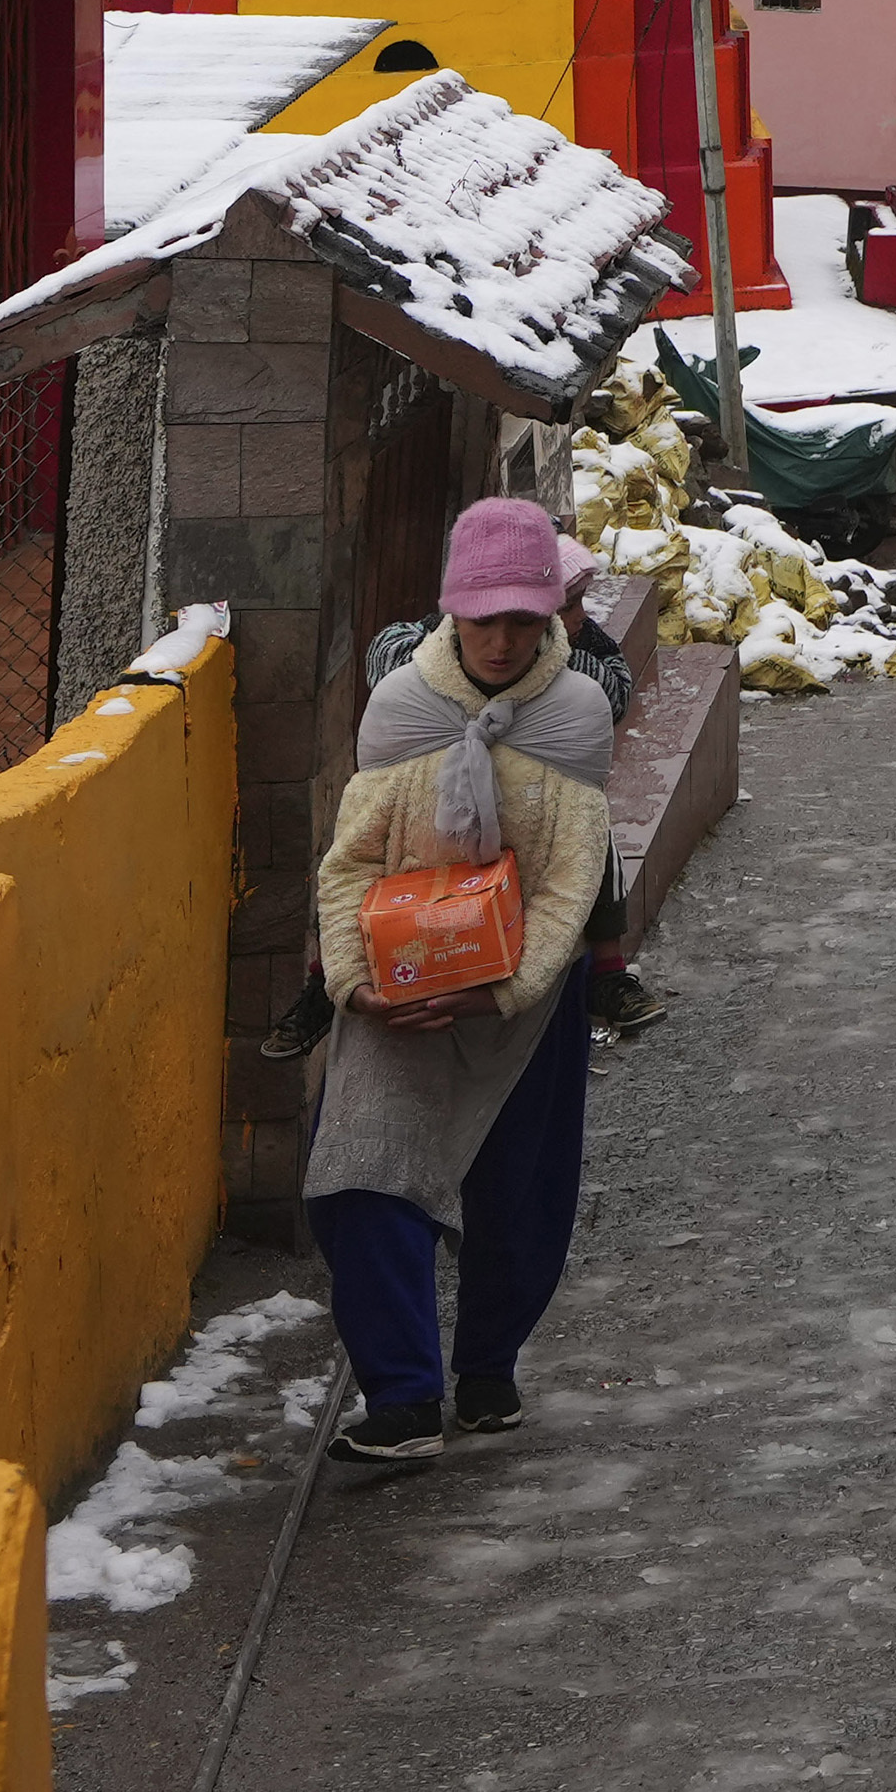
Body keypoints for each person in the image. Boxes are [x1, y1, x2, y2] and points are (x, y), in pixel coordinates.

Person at [309, 493, 623, 1463]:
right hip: (393, 991)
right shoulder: (401, 706)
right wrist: (355, 982)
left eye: (523, 617)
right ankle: (402, 1396)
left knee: (518, 1194)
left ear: (550, 615)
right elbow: (352, 858)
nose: (501, 637)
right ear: (452, 607)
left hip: (523, 999)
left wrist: (504, 988)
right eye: (483, 615)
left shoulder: (576, 714)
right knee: (357, 1174)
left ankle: (488, 1368)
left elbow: (573, 876)